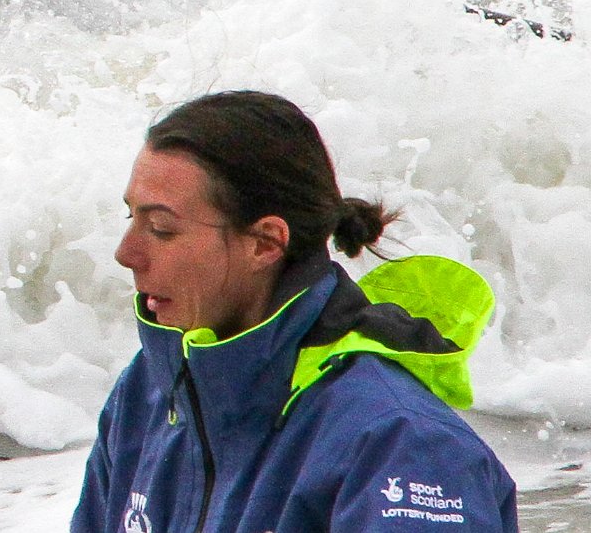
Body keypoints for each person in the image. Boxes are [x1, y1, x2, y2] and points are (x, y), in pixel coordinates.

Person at [75, 90, 517, 532]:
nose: (126, 252)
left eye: (161, 229)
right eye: (130, 217)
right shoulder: (148, 392)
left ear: (265, 242)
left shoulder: (398, 445)